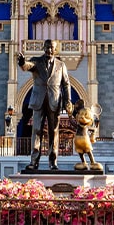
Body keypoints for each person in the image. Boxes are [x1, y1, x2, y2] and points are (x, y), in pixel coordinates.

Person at [18, 39, 72, 170]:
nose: (49, 50)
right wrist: (22, 62)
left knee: (54, 132)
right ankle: (34, 161)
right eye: (47, 47)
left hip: (54, 101)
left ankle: (53, 162)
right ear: (44, 48)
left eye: (52, 48)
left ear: (55, 49)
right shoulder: (36, 61)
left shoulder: (61, 65)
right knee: (36, 130)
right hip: (39, 101)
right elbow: (27, 66)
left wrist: (67, 100)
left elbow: (66, 84)